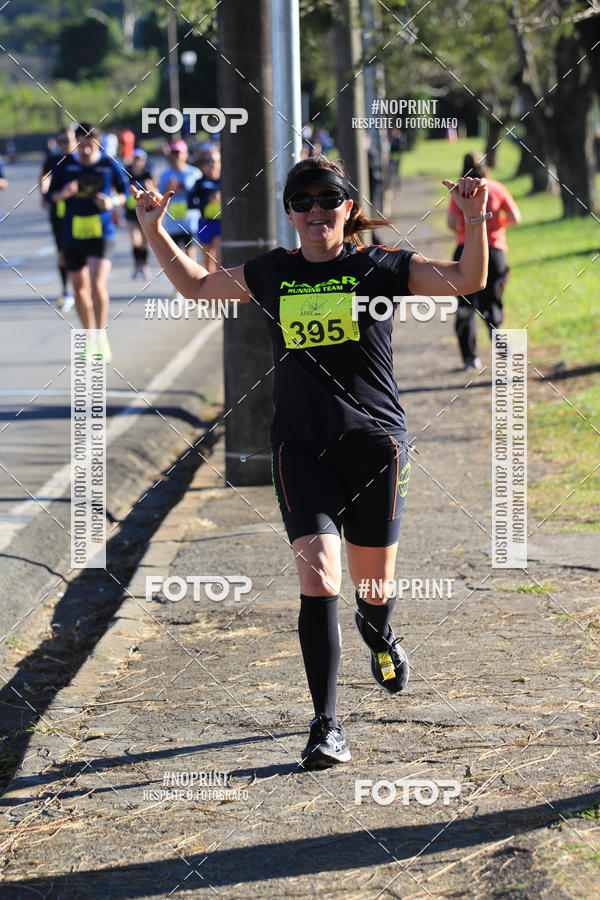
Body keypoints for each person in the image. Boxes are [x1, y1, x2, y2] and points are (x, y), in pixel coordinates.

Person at [132, 155, 488, 769]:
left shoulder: (380, 266)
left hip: (375, 446)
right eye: (304, 201)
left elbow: (467, 278)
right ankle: (326, 725)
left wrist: (475, 217)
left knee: (372, 589)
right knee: (319, 578)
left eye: (329, 199)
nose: (317, 210)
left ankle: (379, 633)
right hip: (300, 450)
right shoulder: (272, 272)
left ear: (349, 208)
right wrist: (153, 229)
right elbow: (194, 287)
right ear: (291, 213)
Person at [48, 122, 127, 361]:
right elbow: (49, 196)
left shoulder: (108, 164)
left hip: (101, 231)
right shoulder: (64, 166)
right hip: (73, 233)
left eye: (89, 144)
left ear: (97, 142)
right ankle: (90, 336)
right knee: (80, 291)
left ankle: (101, 336)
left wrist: (112, 202)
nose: (85, 150)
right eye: (80, 144)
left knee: (96, 285)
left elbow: (125, 193)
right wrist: (63, 194)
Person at [448, 151, 521, 369]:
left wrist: (466, 229)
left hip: (465, 251)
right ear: (486, 169)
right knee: (491, 304)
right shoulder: (497, 188)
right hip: (495, 252)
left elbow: (452, 222)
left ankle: (470, 358)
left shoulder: (461, 191)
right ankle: (503, 353)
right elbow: (515, 217)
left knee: (466, 305)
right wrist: (497, 226)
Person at [40, 126, 78, 311]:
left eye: (69, 140)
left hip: (82, 213)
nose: (66, 144)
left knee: (83, 252)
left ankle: (83, 289)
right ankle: (66, 291)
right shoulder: (53, 160)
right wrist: (45, 195)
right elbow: (44, 177)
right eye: (62, 140)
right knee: (62, 253)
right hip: (60, 213)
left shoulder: (81, 160)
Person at [157, 140, 201, 294]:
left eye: (179, 153)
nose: (176, 156)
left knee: (189, 254)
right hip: (172, 222)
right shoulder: (165, 175)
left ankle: (194, 285)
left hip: (190, 221)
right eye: (173, 153)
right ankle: (179, 289)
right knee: (175, 256)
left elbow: (200, 194)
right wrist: (168, 189)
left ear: (185, 154)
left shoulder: (194, 173)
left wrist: (182, 188)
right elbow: (160, 195)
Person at [123, 148, 155, 280]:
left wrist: (150, 188)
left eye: (140, 160)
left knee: (144, 242)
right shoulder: (127, 174)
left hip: (145, 212)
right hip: (131, 213)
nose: (138, 163)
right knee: (135, 241)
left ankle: (144, 265)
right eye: (136, 159)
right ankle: (137, 265)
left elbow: (156, 192)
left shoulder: (148, 175)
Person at [189, 148, 221, 273]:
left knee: (220, 262)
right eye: (206, 161)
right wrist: (207, 202)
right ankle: (212, 292)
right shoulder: (199, 183)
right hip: (205, 223)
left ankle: (222, 291)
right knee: (208, 266)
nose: (210, 164)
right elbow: (190, 204)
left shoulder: (225, 180)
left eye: (213, 161)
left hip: (221, 224)